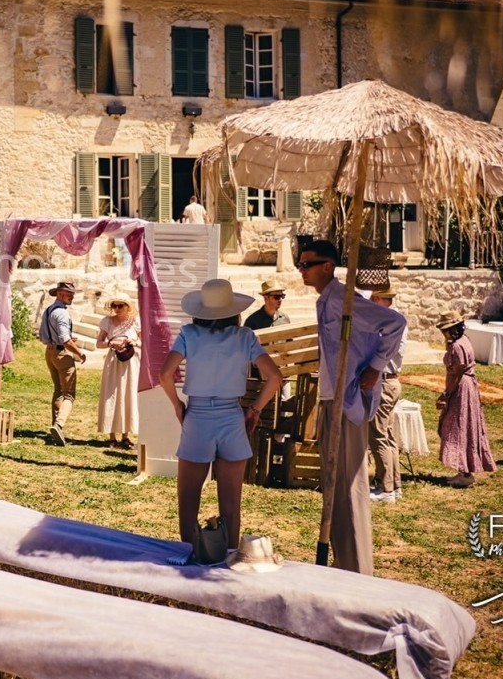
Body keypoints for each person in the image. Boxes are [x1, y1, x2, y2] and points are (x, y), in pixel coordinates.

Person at [299, 240, 406, 575]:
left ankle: (357, 569)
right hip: (333, 398)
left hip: (346, 401)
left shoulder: (343, 300)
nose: (302, 270)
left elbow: (395, 323)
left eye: (307, 264)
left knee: (349, 485)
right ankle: (345, 560)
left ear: (327, 266)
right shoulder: (327, 301)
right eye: (300, 265)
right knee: (335, 485)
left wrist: (375, 366)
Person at [159, 279, 283, 558]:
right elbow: (275, 377)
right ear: (232, 310)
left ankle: (191, 557)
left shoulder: (189, 334)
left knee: (188, 503)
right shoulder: (245, 336)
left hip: (199, 417)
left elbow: (165, 374)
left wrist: (178, 406)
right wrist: (254, 409)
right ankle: (227, 559)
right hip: (231, 416)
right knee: (231, 504)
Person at [435, 312, 496, 488]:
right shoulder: (463, 341)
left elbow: (458, 372)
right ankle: (463, 470)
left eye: (445, 330)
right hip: (465, 386)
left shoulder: (457, 347)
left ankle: (466, 472)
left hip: (461, 388)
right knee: (462, 426)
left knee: (458, 426)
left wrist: (446, 394)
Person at [38, 281, 88, 446]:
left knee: (58, 390)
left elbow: (44, 335)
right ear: (59, 293)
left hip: (50, 351)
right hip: (62, 353)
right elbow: (65, 340)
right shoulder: (62, 313)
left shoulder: (48, 311)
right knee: (69, 394)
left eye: (72, 293)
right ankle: (59, 425)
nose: (72, 296)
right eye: (68, 293)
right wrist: (79, 352)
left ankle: (55, 427)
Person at [368, 290, 406, 503]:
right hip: (391, 381)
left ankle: (386, 487)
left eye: (375, 299)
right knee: (388, 435)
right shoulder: (396, 319)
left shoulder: (390, 322)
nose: (372, 303)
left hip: (383, 382)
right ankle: (394, 484)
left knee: (377, 435)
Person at [96, 296, 141, 449]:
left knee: (128, 394)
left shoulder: (135, 322)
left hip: (130, 362)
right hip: (113, 362)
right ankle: (111, 435)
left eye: (120, 306)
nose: (117, 308)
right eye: (115, 305)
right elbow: (98, 343)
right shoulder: (107, 321)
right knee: (112, 394)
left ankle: (126, 435)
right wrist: (110, 343)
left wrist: (133, 342)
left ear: (127, 307)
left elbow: (144, 342)